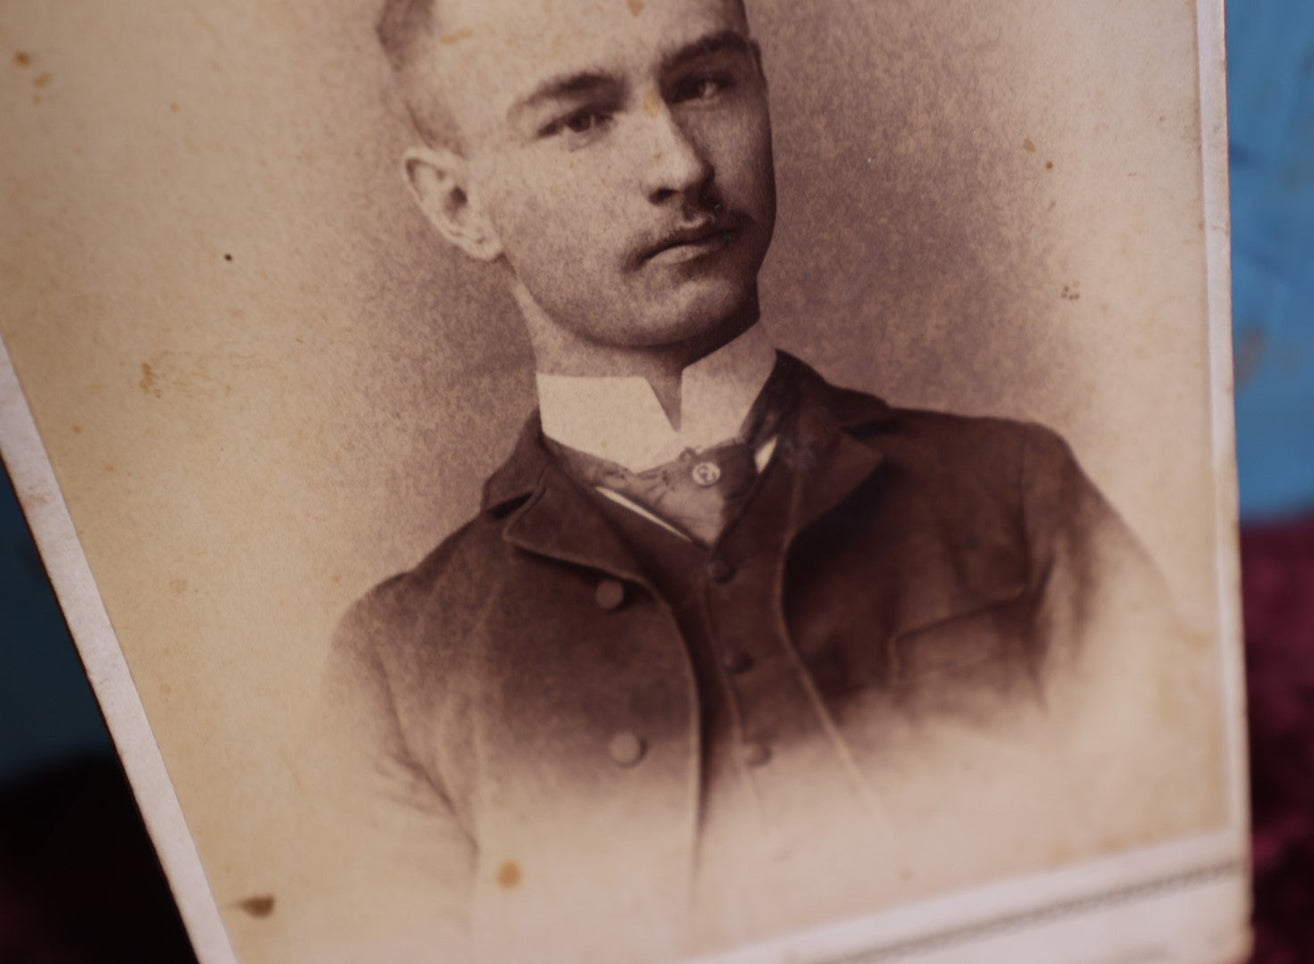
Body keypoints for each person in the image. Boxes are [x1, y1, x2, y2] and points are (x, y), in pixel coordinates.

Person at [315, 0, 1220, 960]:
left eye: (704, 84)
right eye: (580, 118)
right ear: (459, 205)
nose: (682, 167)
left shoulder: (1012, 492)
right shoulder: (402, 667)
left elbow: (1198, 889)